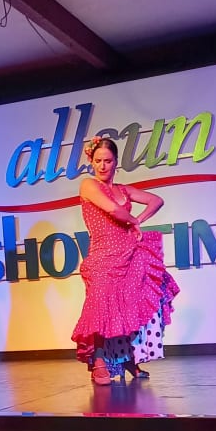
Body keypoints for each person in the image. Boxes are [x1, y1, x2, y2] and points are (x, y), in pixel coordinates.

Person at [71, 136, 180, 385]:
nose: (102, 166)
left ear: (116, 162)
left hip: (129, 252)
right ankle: (99, 360)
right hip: (102, 255)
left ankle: (130, 358)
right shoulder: (88, 185)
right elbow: (112, 210)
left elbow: (156, 200)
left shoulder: (123, 190)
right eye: (98, 160)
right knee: (100, 305)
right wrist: (132, 221)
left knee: (131, 305)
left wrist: (138, 220)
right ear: (91, 161)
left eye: (108, 161)